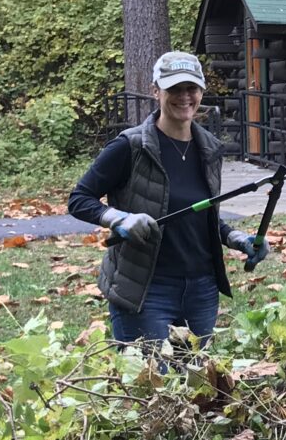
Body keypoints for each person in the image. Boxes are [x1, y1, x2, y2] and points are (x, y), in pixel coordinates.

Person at [69, 51, 269, 346]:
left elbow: (201, 216)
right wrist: (119, 218)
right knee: (151, 387)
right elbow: (78, 199)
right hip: (146, 290)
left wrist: (238, 238)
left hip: (201, 290)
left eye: (191, 88)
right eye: (174, 88)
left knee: (196, 385)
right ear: (155, 91)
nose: (184, 96)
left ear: (201, 91)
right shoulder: (130, 146)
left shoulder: (209, 149)